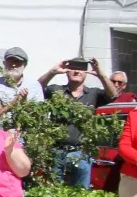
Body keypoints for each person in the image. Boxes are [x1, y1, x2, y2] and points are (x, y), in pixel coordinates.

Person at [40, 57, 113, 188]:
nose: (77, 72)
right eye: (73, 68)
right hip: (56, 151)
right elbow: (37, 88)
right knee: (52, 192)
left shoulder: (93, 94)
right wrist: (52, 72)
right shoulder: (56, 91)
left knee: (80, 194)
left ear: (86, 73)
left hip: (81, 153)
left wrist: (101, 74)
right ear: (66, 71)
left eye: (81, 69)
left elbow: (113, 94)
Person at [0, 48, 43, 113]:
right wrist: (13, 103)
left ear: (25, 65)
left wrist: (24, 103)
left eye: (18, 62)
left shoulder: (34, 86)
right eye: (10, 61)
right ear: (4, 63)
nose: (14, 65)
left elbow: (39, 115)